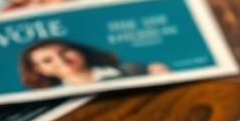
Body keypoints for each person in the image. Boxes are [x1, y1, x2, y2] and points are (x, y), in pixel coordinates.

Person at [18, 39, 169, 89]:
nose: (61, 60)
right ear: (40, 70)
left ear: (79, 50)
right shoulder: (58, 101)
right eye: (47, 60)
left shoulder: (131, 69)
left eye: (64, 52)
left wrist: (160, 75)